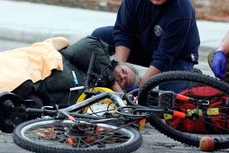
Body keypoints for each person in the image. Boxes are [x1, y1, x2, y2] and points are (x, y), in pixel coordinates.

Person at [91, 0, 200, 91]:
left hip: (176, 57)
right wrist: (120, 69)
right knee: (99, 36)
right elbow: (124, 32)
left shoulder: (182, 10)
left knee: (167, 98)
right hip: (146, 45)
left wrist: (141, 87)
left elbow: (165, 55)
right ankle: (104, 75)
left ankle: (193, 80)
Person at [0, 36, 140, 107]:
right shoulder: (98, 54)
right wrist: (113, 82)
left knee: (25, 109)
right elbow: (86, 45)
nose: (121, 76)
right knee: (17, 83)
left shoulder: (103, 94)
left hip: (42, 94)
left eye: (124, 81)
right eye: (123, 71)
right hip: (40, 69)